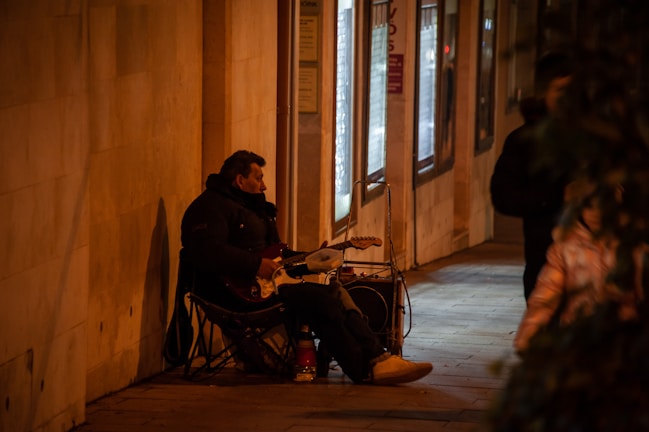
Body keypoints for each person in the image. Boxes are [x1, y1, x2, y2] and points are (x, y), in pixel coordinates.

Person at [180, 150, 433, 385]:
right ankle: (365, 369)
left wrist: (312, 258)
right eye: (258, 178)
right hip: (236, 295)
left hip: (265, 287)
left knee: (334, 291)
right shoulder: (209, 207)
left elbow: (277, 257)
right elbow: (207, 251)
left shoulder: (254, 209)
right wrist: (255, 265)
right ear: (239, 180)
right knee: (320, 300)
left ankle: (378, 358)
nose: (264, 185)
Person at [513, 180, 647, 353]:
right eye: (589, 205)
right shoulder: (566, 248)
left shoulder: (631, 247)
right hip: (579, 341)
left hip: (623, 342)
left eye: (604, 204)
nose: (596, 212)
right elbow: (545, 295)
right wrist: (528, 337)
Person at [490, 52, 576, 302]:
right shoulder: (524, 141)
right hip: (545, 263)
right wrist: (556, 197)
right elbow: (504, 196)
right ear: (543, 93)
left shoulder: (598, 138)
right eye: (560, 90)